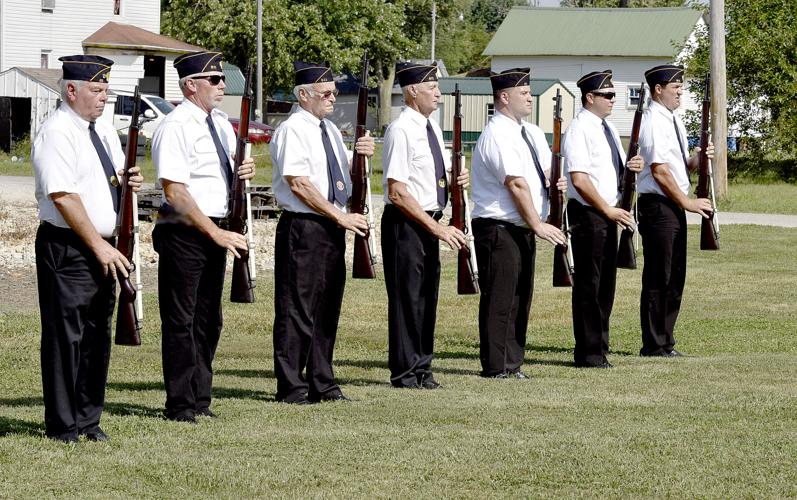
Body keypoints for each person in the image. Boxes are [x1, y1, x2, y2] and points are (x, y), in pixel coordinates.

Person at [32, 55, 144, 442]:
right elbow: (63, 195)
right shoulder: (58, 132)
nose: (103, 97)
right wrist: (98, 246)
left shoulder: (104, 131)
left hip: (105, 248)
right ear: (71, 90)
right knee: (65, 338)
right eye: (96, 90)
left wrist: (129, 181)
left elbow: (105, 181)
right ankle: (63, 426)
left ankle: (88, 419)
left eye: (106, 90)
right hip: (70, 247)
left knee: (97, 335)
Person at [152, 50, 256, 422]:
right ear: (190, 85)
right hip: (185, 231)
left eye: (222, 78)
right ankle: (180, 403)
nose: (222, 85)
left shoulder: (222, 125)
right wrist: (215, 233)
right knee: (181, 320)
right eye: (214, 79)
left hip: (216, 229)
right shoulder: (176, 126)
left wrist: (243, 169)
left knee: (209, 319)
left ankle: (200, 398)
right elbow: (175, 191)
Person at [270, 61, 375, 404]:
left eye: (334, 92)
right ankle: (291, 386)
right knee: (297, 309)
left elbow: (342, 176)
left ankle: (323, 382)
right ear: (303, 95)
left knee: (327, 307)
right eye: (325, 93)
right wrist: (339, 216)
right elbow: (299, 183)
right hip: (305, 226)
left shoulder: (328, 129)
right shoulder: (293, 129)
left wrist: (361, 157)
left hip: (331, 225)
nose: (332, 98)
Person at [470, 67, 567, 379]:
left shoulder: (531, 132)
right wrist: (538, 224)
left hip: (521, 226)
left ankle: (513, 363)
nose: (529, 97)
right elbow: (516, 183)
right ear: (503, 97)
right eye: (522, 92)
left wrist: (556, 183)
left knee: (520, 297)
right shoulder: (497, 134)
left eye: (528, 92)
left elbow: (544, 173)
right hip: (498, 226)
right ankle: (496, 366)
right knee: (500, 299)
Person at [381, 62, 469, 389]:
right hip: (407, 224)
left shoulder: (432, 129)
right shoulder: (401, 130)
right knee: (407, 299)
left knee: (426, 298)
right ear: (412, 90)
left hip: (430, 220)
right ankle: (405, 373)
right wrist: (437, 230)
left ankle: (423, 369)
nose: (438, 93)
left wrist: (457, 179)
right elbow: (397, 191)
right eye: (431, 87)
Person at [563, 70, 644, 368]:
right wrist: (607, 210)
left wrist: (634, 166)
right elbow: (580, 179)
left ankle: (600, 345)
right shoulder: (579, 129)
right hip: (590, 214)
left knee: (605, 285)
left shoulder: (607, 128)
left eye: (613, 95)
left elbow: (614, 171)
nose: (612, 100)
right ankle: (588, 352)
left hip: (608, 213)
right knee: (589, 285)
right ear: (590, 97)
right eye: (607, 95)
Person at [637, 64, 713, 357]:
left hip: (672, 203)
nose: (681, 92)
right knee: (659, 276)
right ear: (658, 90)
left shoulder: (672, 120)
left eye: (681, 87)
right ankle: (654, 343)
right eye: (675, 88)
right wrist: (687, 202)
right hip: (659, 205)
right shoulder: (653, 121)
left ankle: (666, 340)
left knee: (674, 276)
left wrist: (697, 158)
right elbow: (659, 170)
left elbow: (679, 167)